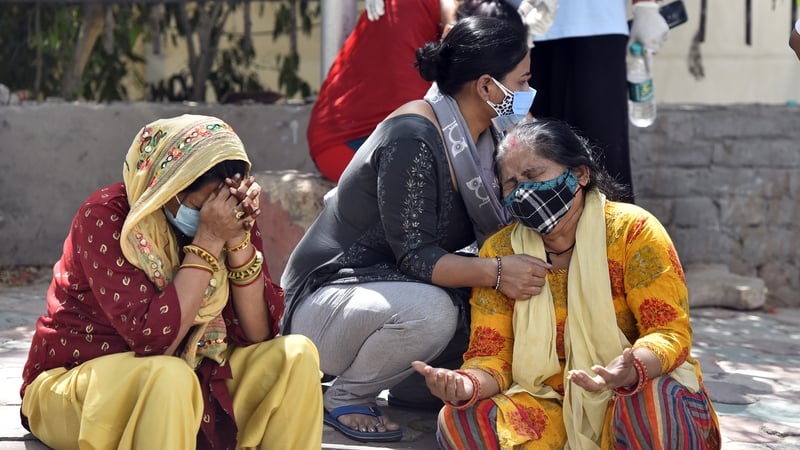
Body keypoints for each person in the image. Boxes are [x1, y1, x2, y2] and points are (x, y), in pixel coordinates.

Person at [281, 16, 549, 443]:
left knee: (497, 320)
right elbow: (416, 256)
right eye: (522, 82)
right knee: (438, 311)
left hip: (390, 295)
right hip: (328, 305)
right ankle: (345, 397)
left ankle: (408, 385)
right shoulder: (415, 135)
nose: (526, 94)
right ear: (485, 87)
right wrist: (498, 271)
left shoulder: (487, 136)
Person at [412, 119, 721, 449]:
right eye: (511, 183)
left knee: (655, 402)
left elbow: (670, 332)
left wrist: (631, 369)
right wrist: (466, 384)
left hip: (628, 393)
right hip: (545, 403)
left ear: (580, 174)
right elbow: (492, 354)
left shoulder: (632, 232)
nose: (523, 191)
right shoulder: (501, 252)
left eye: (533, 176)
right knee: (461, 419)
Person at [19, 114, 323, 450]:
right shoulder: (105, 218)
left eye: (223, 203)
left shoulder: (228, 214)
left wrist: (237, 240)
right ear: (165, 187)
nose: (214, 214)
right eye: (199, 206)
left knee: (296, 356)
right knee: (168, 376)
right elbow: (156, 343)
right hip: (81, 386)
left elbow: (258, 334)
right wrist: (208, 240)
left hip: (196, 380)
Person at [307, 0, 521, 182]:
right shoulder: (403, 18)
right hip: (346, 143)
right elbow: (439, 124)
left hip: (396, 137)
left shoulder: (447, 19)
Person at [519, 0, 669, 203]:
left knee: (603, 164)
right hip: (522, 22)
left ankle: (611, 233)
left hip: (597, 21)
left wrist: (645, 6)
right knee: (530, 159)